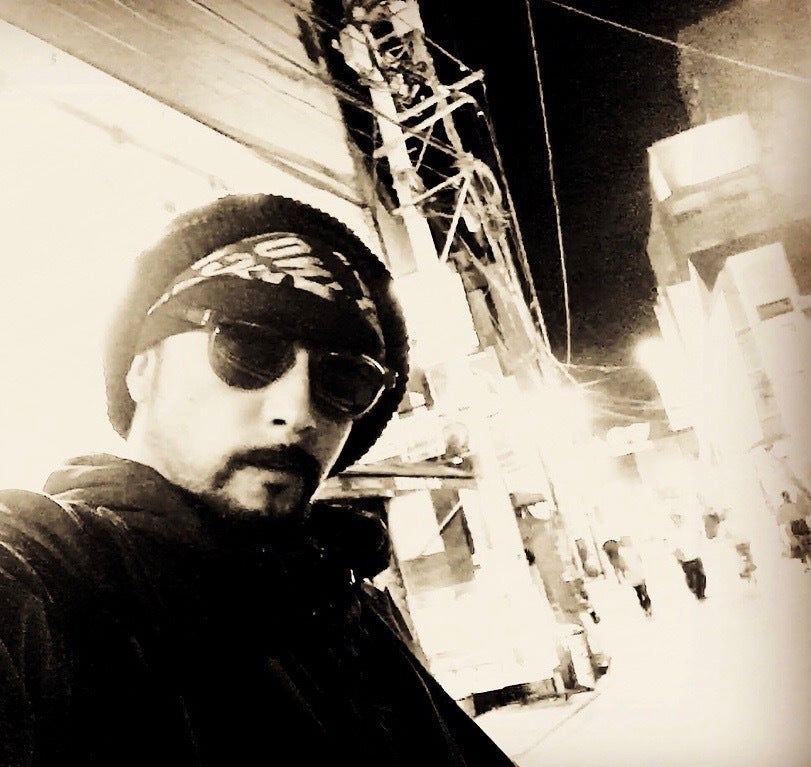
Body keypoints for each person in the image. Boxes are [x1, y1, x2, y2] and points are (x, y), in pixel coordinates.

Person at [0, 194, 516, 766]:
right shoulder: (50, 574)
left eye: (344, 378)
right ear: (142, 368)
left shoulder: (350, 604)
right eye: (248, 348)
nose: (297, 411)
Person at [669, 510, 707, 600]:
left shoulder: (688, 528)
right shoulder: (673, 532)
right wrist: (678, 556)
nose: (677, 520)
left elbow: (697, 536)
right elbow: (672, 547)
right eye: (674, 518)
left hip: (695, 556)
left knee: (701, 575)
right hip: (685, 560)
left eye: (678, 517)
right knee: (691, 577)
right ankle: (695, 590)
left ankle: (701, 594)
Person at [776, 489, 811, 571]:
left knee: (805, 543)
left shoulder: (793, 505)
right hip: (795, 526)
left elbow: (803, 513)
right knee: (801, 544)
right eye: (785, 496)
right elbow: (780, 520)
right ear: (783, 497)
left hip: (800, 525)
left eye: (787, 495)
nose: (787, 497)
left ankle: (805, 562)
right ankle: (805, 563)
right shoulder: (783, 508)